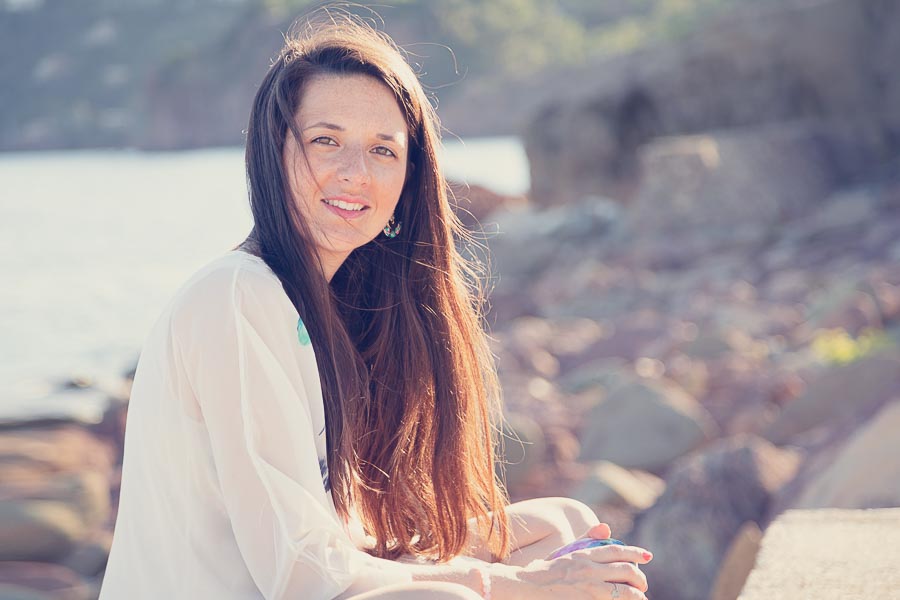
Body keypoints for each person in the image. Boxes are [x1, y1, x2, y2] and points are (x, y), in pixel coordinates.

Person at [100, 10, 652, 600]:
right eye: (325, 141)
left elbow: (342, 542)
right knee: (454, 598)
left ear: (410, 175)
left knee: (558, 525)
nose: (354, 173)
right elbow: (299, 572)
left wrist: (525, 573)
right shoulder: (236, 295)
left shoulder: (330, 306)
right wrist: (506, 584)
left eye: (382, 151)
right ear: (272, 152)